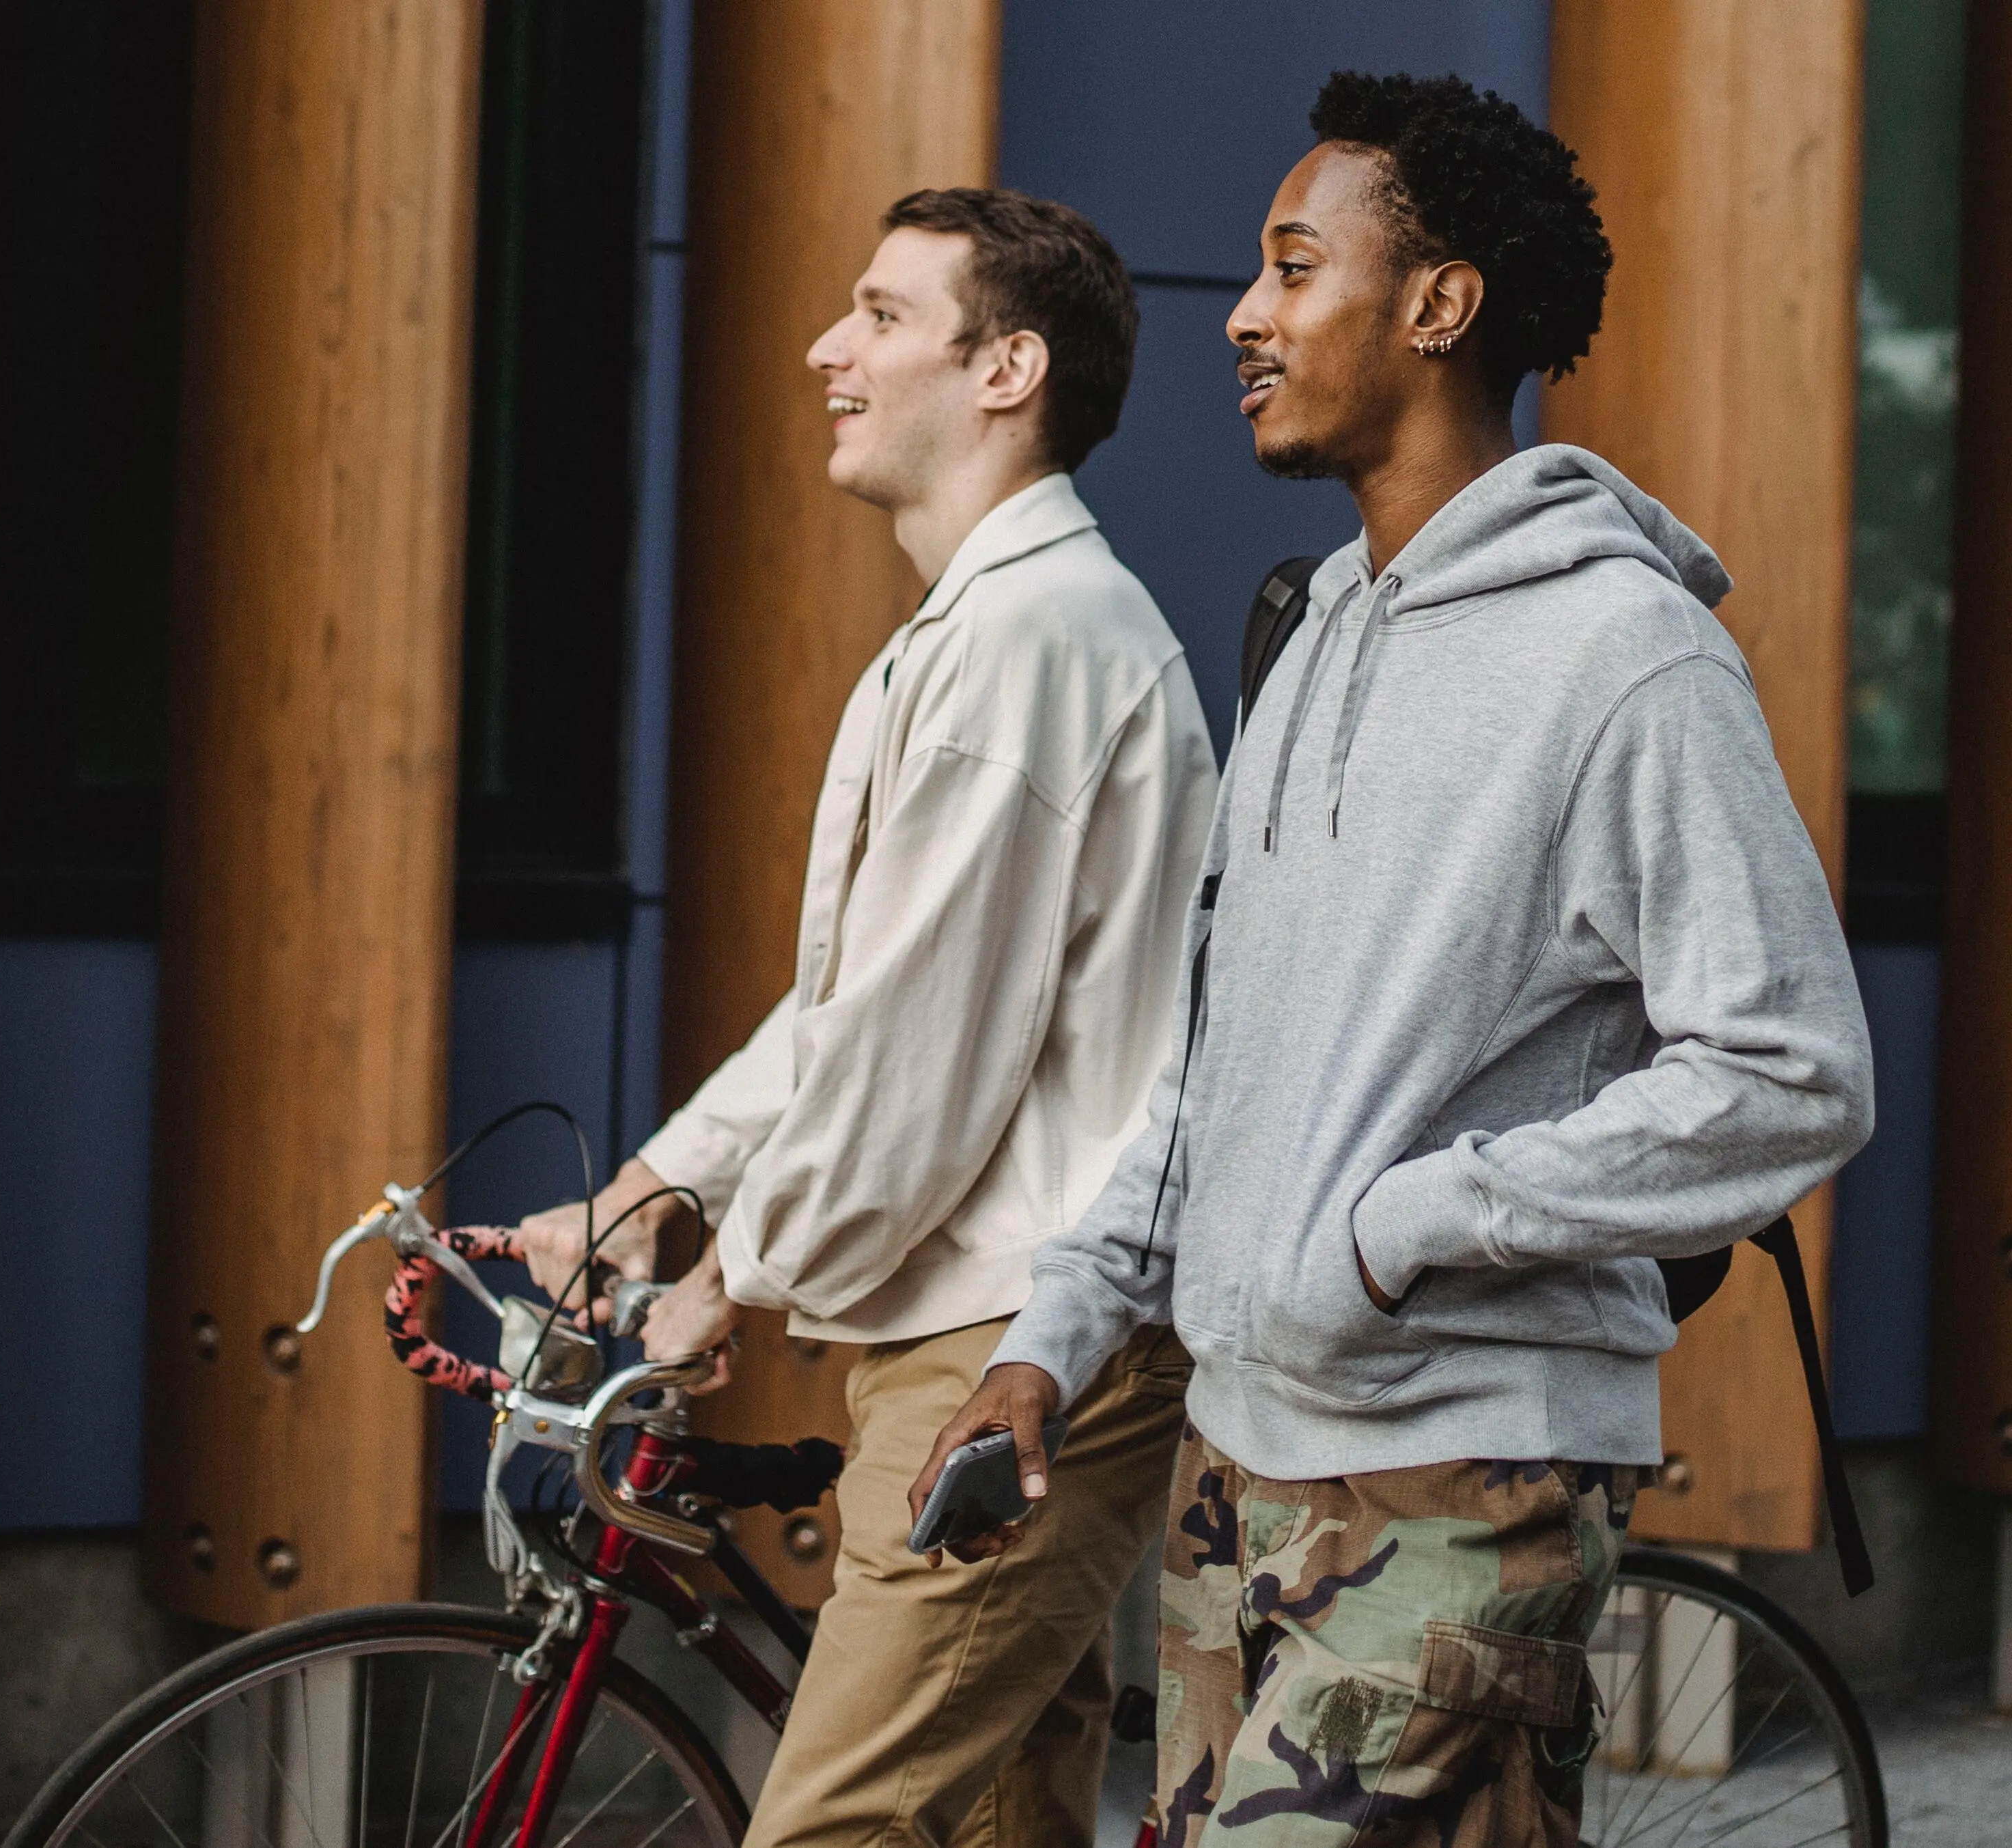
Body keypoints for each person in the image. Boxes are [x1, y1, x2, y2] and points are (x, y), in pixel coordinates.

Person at [923, 74, 1874, 1848]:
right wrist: (1051, 1340)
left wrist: (1405, 1223)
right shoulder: (1303, 637)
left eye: (1296, 269)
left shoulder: (1626, 659)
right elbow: (1227, 1067)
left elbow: (1792, 1065)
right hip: (1241, 1462)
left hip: (1464, 1474)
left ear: (1438, 306)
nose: (1248, 317)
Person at [513, 187, 1218, 1848]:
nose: (830, 348)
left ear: (1007, 367)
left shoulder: (1031, 638)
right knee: (992, 1824)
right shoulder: (976, 632)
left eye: (883, 314)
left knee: (825, 1827)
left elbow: (916, 1060)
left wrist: (733, 1274)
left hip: (1020, 1343)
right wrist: (654, 1186)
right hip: (977, 1327)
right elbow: (859, 1008)